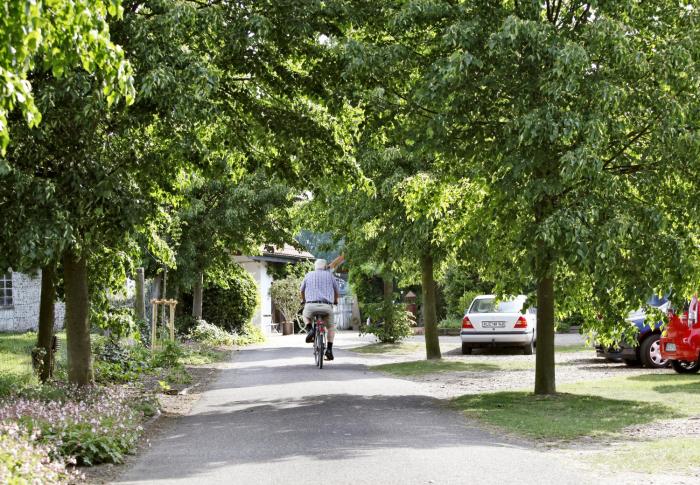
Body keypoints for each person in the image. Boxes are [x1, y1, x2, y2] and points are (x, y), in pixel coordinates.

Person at [300, 259, 340, 360]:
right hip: (326, 306)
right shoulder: (330, 276)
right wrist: (335, 301)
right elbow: (336, 291)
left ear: (315, 266)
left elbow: (302, 290)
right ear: (325, 266)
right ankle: (329, 350)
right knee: (331, 327)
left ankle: (310, 329)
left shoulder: (308, 275)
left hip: (311, 305)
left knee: (305, 315)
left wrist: (304, 300)